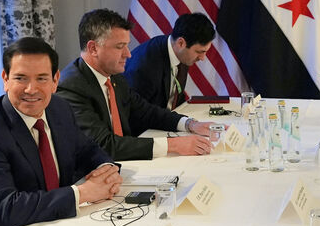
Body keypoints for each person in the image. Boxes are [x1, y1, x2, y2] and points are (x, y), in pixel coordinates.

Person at [0, 38, 121, 226]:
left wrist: (107, 171)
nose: (31, 89)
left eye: (41, 78)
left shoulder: (59, 108)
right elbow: (7, 209)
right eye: (21, 78)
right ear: (5, 79)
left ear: (55, 80)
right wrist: (83, 193)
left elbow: (86, 150)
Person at [58, 9, 216, 161]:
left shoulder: (114, 78)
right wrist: (172, 145)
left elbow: (147, 112)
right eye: (120, 47)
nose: (128, 54)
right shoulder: (71, 87)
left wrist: (190, 124)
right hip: (91, 176)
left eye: (127, 45)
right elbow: (105, 145)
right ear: (93, 48)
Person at [124, 12, 215, 110]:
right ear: (181, 43)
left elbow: (176, 98)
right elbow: (136, 113)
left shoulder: (182, 54)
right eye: (199, 52)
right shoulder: (145, 67)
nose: (202, 58)